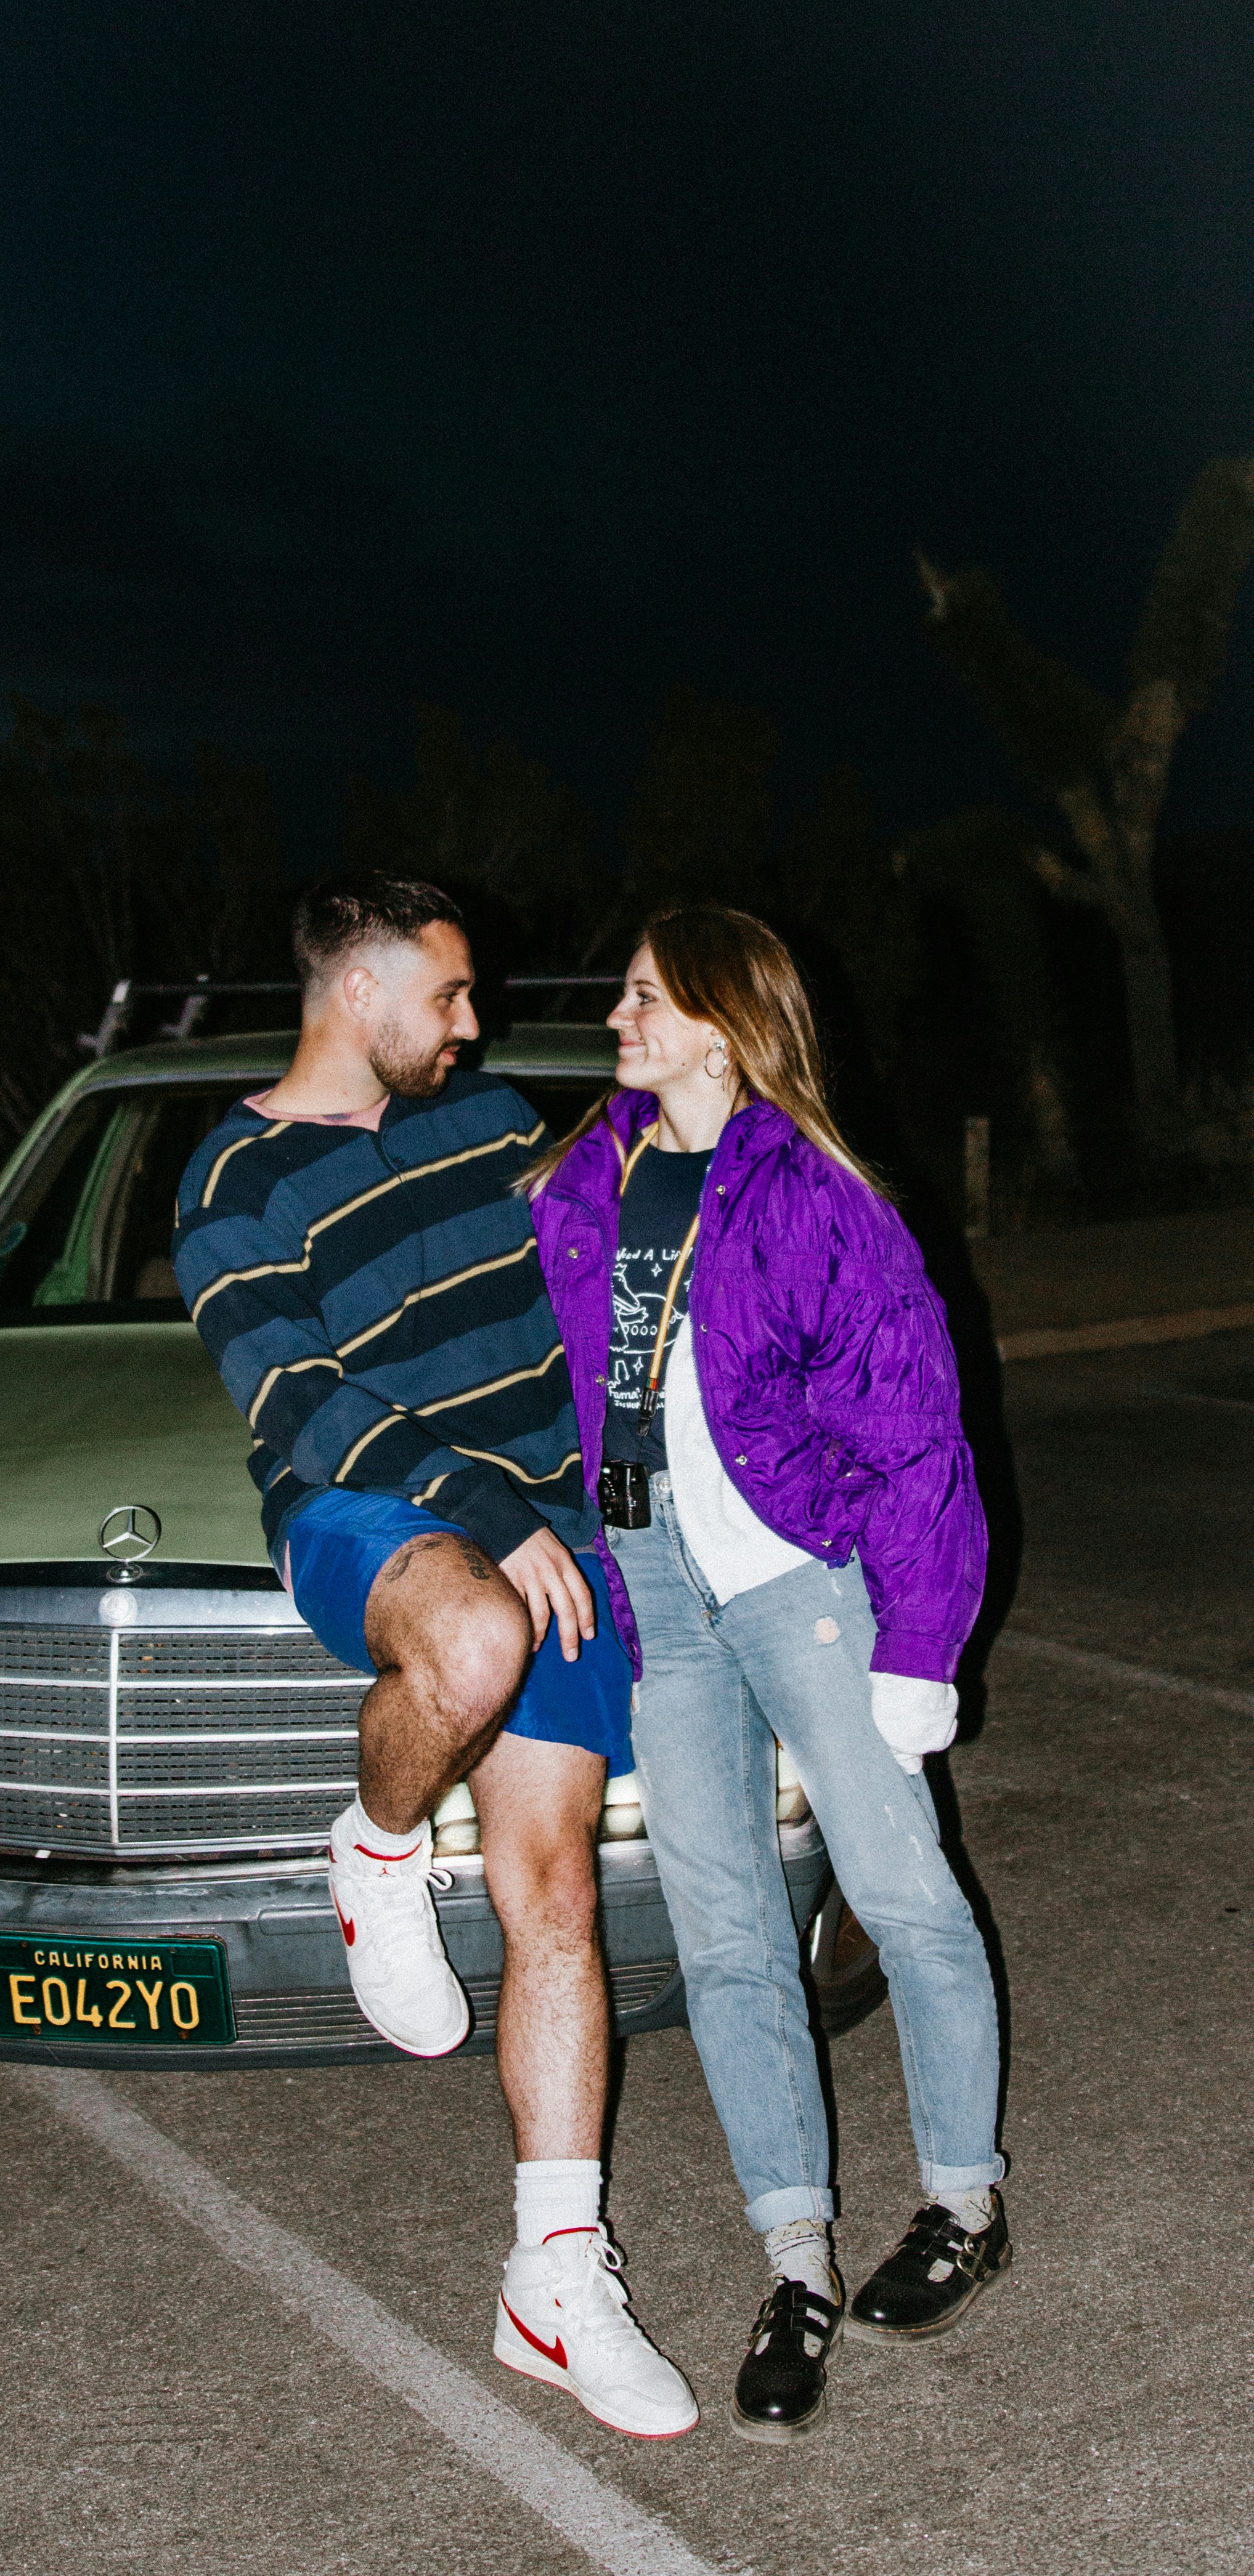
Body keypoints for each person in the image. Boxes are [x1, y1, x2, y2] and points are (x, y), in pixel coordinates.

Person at [173, 872, 698, 2442]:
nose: (473, 1026)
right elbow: (297, 1400)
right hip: (369, 1515)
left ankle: (554, 2278)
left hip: (553, 1524)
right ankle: (376, 1844)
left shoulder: (485, 1130)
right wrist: (479, 1504)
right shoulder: (234, 1176)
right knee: (470, 1637)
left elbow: (624, 1227)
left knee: (554, 1897)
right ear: (361, 994)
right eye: (451, 996)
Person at [526, 901, 1009, 2445]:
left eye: (647, 998)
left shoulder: (820, 1199)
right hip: (654, 1587)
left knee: (904, 1893)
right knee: (726, 1936)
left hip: (802, 1583)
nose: (619, 1017)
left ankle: (959, 2205)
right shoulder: (580, 1180)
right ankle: (791, 2260)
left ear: (729, 1025)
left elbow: (916, 1437)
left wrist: (915, 1646)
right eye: (622, 995)